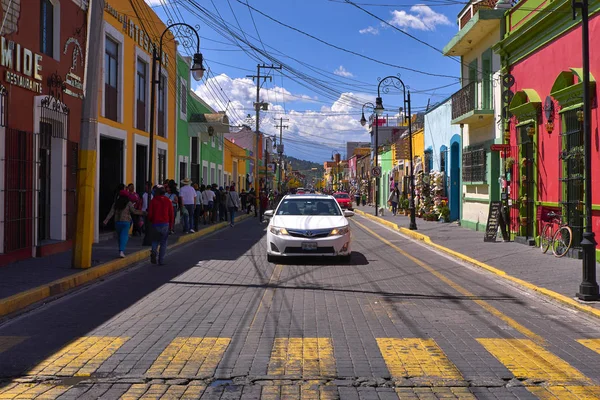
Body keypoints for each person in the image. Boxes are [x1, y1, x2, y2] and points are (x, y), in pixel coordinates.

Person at [103, 188, 145, 258]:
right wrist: (144, 213)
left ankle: (120, 250)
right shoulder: (128, 203)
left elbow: (111, 213)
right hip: (126, 222)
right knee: (124, 236)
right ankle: (121, 251)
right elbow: (134, 211)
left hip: (117, 222)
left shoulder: (115, 203)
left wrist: (106, 220)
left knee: (120, 237)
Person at [147, 185, 173, 265]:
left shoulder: (153, 200)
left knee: (155, 241)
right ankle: (161, 260)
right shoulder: (168, 201)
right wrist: (171, 226)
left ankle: (154, 252)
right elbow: (171, 214)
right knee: (163, 242)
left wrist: (151, 220)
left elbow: (150, 214)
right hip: (165, 223)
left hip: (156, 223)